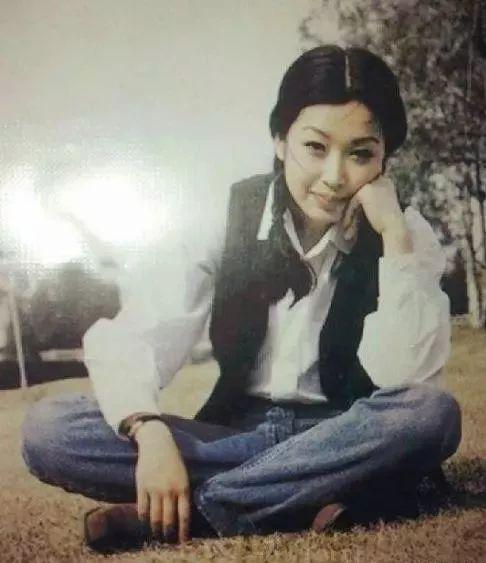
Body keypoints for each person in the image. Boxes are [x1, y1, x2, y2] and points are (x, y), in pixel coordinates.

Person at [21, 44, 461, 553]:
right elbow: (143, 333)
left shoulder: (404, 234)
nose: (335, 176)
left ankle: (208, 511)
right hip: (230, 435)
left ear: (385, 159)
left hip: (342, 433)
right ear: (280, 140)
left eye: (361, 153)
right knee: (51, 430)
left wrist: (394, 238)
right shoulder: (225, 214)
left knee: (430, 415)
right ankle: (313, 493)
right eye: (315, 147)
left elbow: (408, 382)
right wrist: (149, 431)